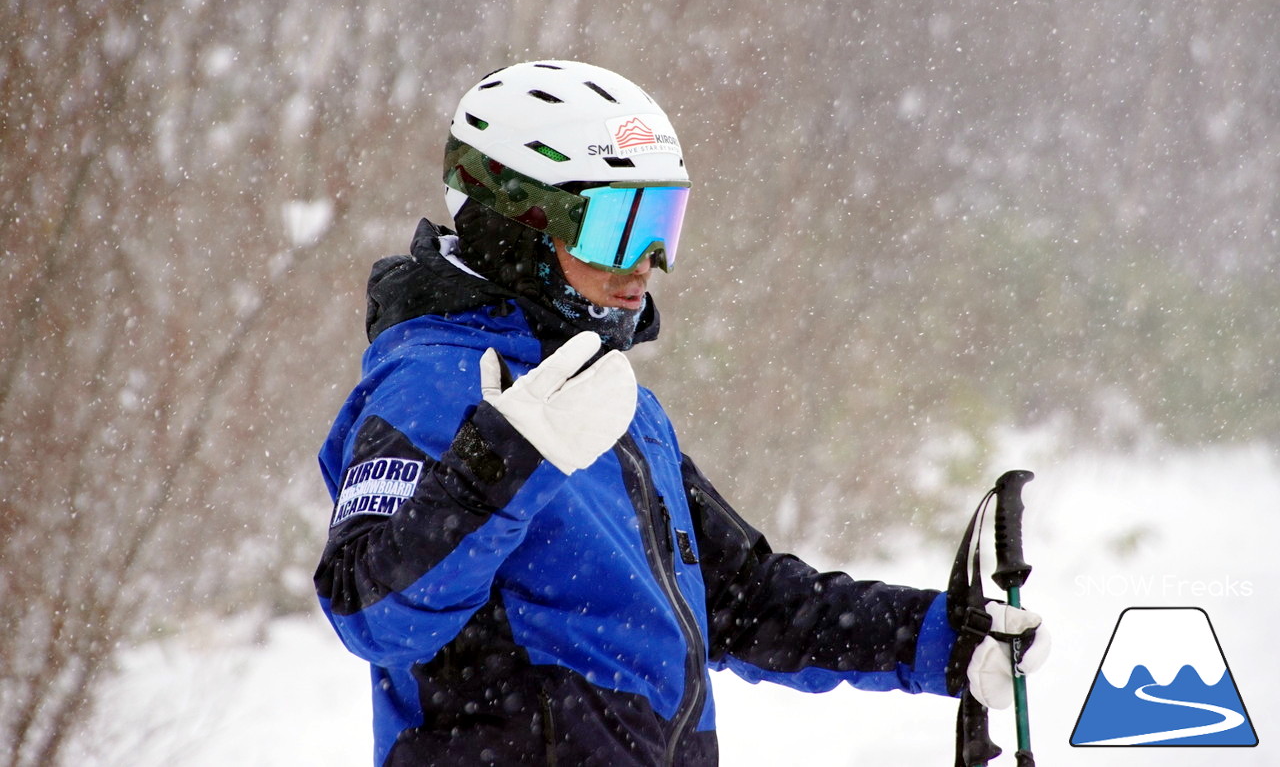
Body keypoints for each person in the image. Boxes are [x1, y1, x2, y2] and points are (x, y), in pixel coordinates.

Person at [314, 60, 1047, 766]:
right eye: (616, 228)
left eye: (662, 222)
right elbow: (373, 612)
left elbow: (744, 599)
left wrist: (935, 639)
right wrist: (501, 460)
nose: (649, 262)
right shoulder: (435, 385)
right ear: (518, 225)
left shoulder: (599, 392)